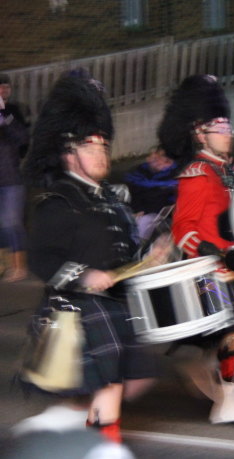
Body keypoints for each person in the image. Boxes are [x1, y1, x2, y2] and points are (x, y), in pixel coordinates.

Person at [19, 72, 164, 443]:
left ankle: (73, 427)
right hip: (76, 307)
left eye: (104, 146)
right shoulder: (58, 202)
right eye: (90, 147)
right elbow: (41, 260)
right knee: (111, 385)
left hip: (115, 304)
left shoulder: (112, 198)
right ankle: (96, 444)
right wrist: (84, 276)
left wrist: (151, 255)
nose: (101, 154)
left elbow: (124, 250)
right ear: (69, 154)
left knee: (138, 378)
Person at [159, 74, 234, 428]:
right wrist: (211, 251)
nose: (228, 133)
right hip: (210, 268)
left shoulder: (233, 171)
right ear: (200, 133)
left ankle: (206, 364)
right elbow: (182, 228)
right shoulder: (197, 174)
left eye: (228, 127)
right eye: (219, 128)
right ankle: (228, 402)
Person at [0, 73, 30, 282]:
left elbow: (22, 138)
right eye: (0, 88)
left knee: (12, 222)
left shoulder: (14, 112)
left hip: (11, 177)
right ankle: (3, 265)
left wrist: (4, 115)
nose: (3, 91)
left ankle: (20, 267)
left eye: (6, 88)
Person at [123, 146, 178, 240]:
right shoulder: (139, 173)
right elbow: (135, 195)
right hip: (138, 212)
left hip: (161, 217)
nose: (158, 160)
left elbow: (166, 200)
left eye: (165, 160)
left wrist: (143, 212)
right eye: (156, 156)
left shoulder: (175, 176)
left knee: (144, 221)